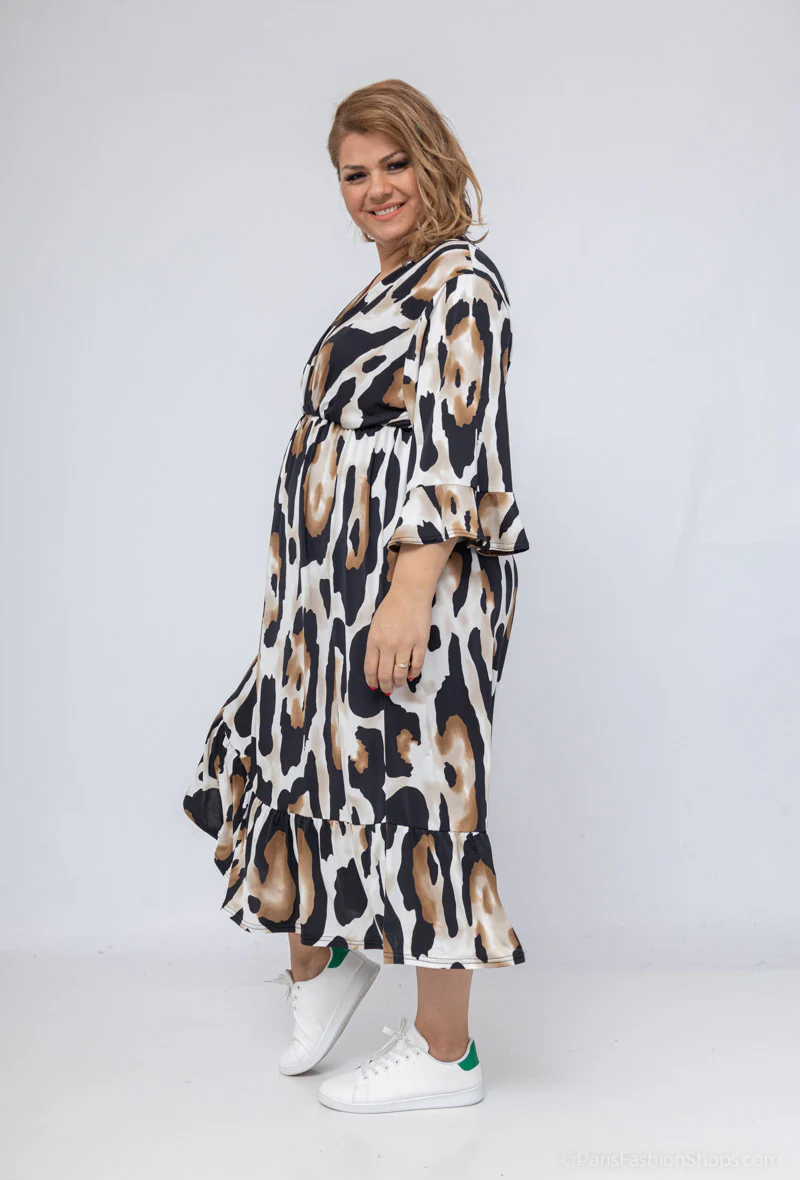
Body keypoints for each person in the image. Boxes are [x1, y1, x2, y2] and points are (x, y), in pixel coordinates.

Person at [183, 77, 531, 1114]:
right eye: (353, 173)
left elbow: (455, 445)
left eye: (394, 164)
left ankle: (445, 1056)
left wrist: (407, 593)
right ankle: (327, 957)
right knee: (304, 761)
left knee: (423, 791)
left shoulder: (460, 281)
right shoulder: (384, 287)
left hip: (410, 583)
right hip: (327, 590)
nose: (375, 188)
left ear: (435, 160)